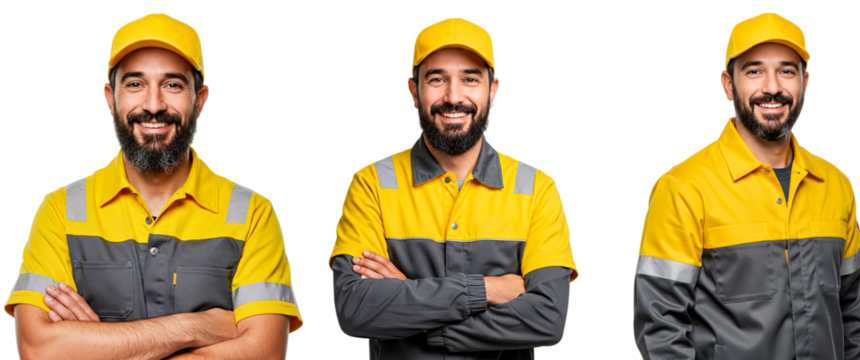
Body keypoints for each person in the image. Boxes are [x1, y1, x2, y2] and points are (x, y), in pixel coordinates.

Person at [5, 13, 303, 360]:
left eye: (173, 84)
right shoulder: (58, 210)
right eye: (135, 84)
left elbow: (263, 354)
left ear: (201, 99)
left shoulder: (254, 213)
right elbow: (38, 349)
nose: (153, 105)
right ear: (109, 98)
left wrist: (96, 344)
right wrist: (201, 326)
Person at [327, 17, 580, 359]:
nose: (454, 96)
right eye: (436, 79)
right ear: (413, 91)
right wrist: (488, 289)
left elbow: (548, 320)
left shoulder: (538, 188)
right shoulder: (370, 183)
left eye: (470, 79)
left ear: (494, 91)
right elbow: (355, 311)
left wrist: (410, 302)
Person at [631, 12, 860, 360]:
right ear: (727, 84)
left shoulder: (837, 184)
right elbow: (660, 329)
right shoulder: (683, 187)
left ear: (806, 83)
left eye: (787, 70)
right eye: (754, 70)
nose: (772, 87)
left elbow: (853, 317)